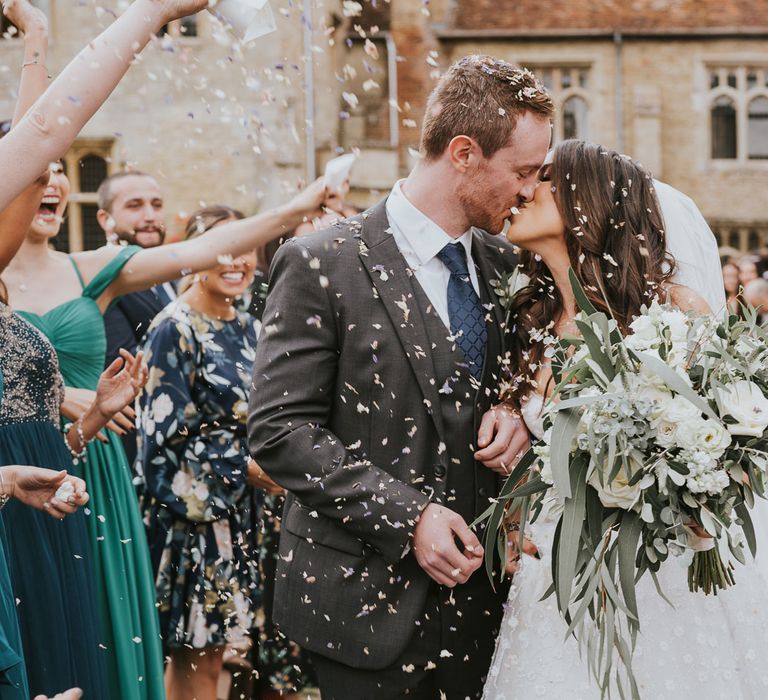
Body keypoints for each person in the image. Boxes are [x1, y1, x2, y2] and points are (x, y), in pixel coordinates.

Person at [247, 55, 550, 699]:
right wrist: (408, 517)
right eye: (521, 172)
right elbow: (278, 430)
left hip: (493, 612)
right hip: (362, 610)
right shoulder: (319, 260)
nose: (530, 190)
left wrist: (521, 407)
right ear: (464, 153)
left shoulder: (508, 267)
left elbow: (531, 374)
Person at [483, 139, 768, 698]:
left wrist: (690, 484)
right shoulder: (529, 321)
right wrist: (513, 507)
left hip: (657, 575)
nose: (522, 190)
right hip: (555, 575)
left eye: (541, 178)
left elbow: (727, 436)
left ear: (585, 199)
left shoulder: (673, 310)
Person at [136, 206, 262, 700]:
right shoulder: (175, 327)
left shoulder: (250, 326)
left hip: (247, 515)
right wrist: (243, 469)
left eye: (246, 247)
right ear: (194, 256)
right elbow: (160, 441)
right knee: (197, 660)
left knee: (223, 658)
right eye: (221, 247)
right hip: (194, 520)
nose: (236, 261)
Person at [97, 170, 177, 467]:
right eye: (134, 206)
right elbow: (124, 366)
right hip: (137, 445)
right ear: (105, 220)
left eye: (156, 205)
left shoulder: (171, 277)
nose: (149, 215)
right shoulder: (104, 280)